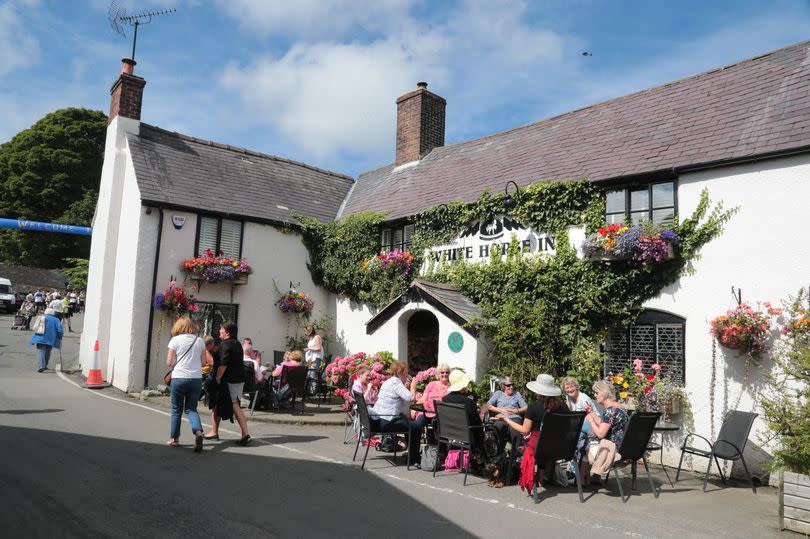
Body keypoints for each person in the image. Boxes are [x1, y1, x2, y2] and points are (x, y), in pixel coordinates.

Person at [498, 373, 567, 494]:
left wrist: (506, 420)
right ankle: (541, 478)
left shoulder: (534, 407)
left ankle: (536, 477)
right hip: (560, 447)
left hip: (540, 448)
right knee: (540, 440)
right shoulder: (563, 407)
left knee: (528, 440)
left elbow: (524, 430)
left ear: (538, 390)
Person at [166, 317, 207, 451]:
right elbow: (204, 362)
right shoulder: (200, 341)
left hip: (179, 378)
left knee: (176, 409)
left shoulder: (175, 340)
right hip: (196, 379)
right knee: (191, 409)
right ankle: (198, 432)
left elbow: (169, 362)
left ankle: (174, 439)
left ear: (178, 326)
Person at [369, 360, 421, 466]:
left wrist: (400, 413)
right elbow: (411, 397)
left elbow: (390, 402)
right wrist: (413, 386)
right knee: (416, 427)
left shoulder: (388, 382)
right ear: (399, 373)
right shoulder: (396, 383)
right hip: (386, 422)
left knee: (409, 423)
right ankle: (413, 458)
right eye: (405, 373)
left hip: (378, 419)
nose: (407, 375)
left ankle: (411, 454)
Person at [583, 379, 629, 482]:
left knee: (583, 445)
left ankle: (583, 480)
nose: (595, 395)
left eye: (596, 393)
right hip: (623, 446)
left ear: (604, 393)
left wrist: (590, 420)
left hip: (612, 449)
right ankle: (595, 477)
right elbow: (605, 423)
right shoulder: (618, 407)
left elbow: (600, 434)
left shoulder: (610, 410)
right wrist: (591, 412)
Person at [214, 320, 250, 445]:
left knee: (235, 405)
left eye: (221, 329)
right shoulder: (237, 343)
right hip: (239, 378)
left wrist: (217, 378)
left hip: (231, 379)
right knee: (235, 403)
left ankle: (245, 433)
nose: (219, 331)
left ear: (227, 332)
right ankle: (215, 431)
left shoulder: (226, 344)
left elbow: (223, 363)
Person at [486, 376, 528, 451]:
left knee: (515, 431)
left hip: (514, 417)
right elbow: (488, 405)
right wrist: (500, 410)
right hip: (501, 417)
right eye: (508, 385)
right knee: (498, 428)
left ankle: (516, 454)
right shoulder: (498, 393)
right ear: (503, 386)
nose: (511, 387)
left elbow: (526, 407)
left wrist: (516, 411)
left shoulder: (516, 394)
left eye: (512, 385)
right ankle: (499, 452)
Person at [410, 363, 452, 428]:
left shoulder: (451, 387)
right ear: (438, 374)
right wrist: (415, 408)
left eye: (447, 372)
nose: (445, 374)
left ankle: (432, 438)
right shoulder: (431, 384)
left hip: (440, 414)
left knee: (436, 425)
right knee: (417, 425)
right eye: (442, 372)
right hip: (426, 411)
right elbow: (423, 399)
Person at [29, 306, 63, 372]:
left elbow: (35, 327)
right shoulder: (56, 320)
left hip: (40, 337)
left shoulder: (41, 317)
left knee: (41, 351)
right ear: (53, 313)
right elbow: (60, 330)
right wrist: (59, 337)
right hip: (51, 339)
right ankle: (45, 365)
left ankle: (41, 366)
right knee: (48, 352)